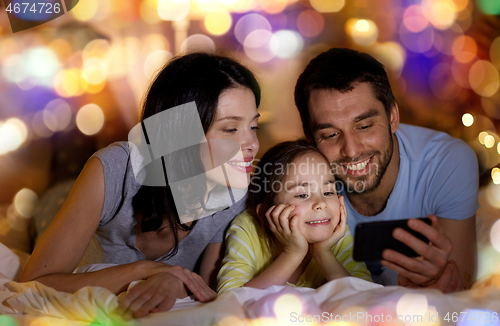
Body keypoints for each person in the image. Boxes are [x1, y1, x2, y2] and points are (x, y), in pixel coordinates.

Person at [20, 52, 261, 318]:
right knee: (51, 200)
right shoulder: (114, 169)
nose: (252, 145)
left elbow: (205, 293)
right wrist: (146, 271)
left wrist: (174, 281)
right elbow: (33, 285)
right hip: (80, 192)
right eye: (230, 129)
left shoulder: (234, 189)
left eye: (254, 126)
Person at [294, 48, 479, 292]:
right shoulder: (296, 176)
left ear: (392, 117)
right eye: (330, 134)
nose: (350, 150)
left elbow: (460, 288)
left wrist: (440, 279)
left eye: (364, 126)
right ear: (310, 138)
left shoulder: (446, 161)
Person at [217, 140, 372, 293]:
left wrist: (323, 253)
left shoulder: (337, 232)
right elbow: (230, 299)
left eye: (328, 192)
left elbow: (366, 296)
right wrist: (292, 253)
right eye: (302, 195)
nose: (321, 203)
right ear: (265, 214)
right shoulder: (247, 228)